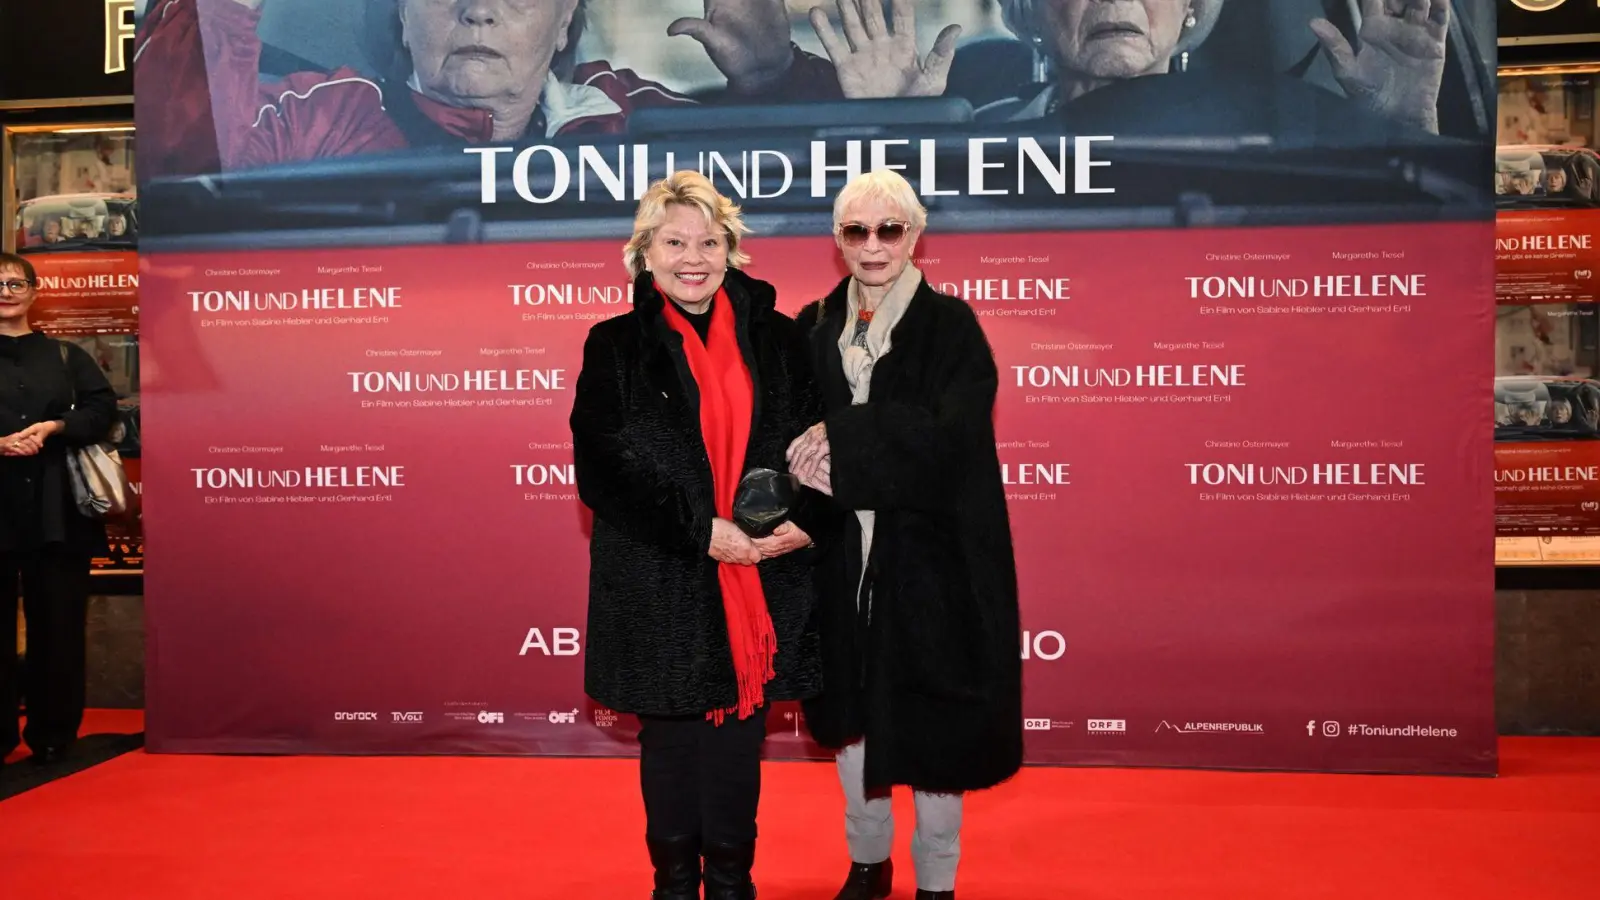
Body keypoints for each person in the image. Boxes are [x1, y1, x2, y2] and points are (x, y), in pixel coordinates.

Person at [571, 170, 826, 900]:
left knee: (738, 744)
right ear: (644, 254)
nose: (693, 257)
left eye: (708, 241)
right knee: (672, 740)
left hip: (761, 571)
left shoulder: (782, 341)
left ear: (731, 250)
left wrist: (801, 526)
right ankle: (676, 886)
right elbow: (602, 468)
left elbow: (818, 449)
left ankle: (733, 882)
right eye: (674, 241)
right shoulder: (614, 346)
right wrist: (701, 533)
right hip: (662, 577)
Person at [787, 170, 1022, 900]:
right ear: (837, 240)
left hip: (933, 563)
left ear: (915, 236)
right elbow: (781, 434)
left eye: (890, 229)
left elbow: (952, 439)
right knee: (852, 722)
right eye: (856, 230)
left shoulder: (951, 328)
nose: (874, 245)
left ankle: (938, 882)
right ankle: (866, 861)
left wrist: (841, 432)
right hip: (838, 557)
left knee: (935, 726)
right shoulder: (813, 324)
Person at [136, 0, 842, 179]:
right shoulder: (325, 110)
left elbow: (775, 192)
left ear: (566, 19)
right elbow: (187, 161)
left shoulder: (627, 115)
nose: (479, 9)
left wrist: (774, 80)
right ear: (403, 17)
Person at [812, 0, 1450, 136]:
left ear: (1191, 13)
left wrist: (1397, 127)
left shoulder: (1268, 132)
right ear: (1026, 16)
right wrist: (891, 136)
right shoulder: (984, 138)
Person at [0, 253, 119, 771]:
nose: (5, 290)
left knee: (60, 626)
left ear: (33, 290)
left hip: (58, 510)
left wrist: (54, 429)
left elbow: (102, 410)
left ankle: (53, 734)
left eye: (14, 282)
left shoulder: (68, 356)